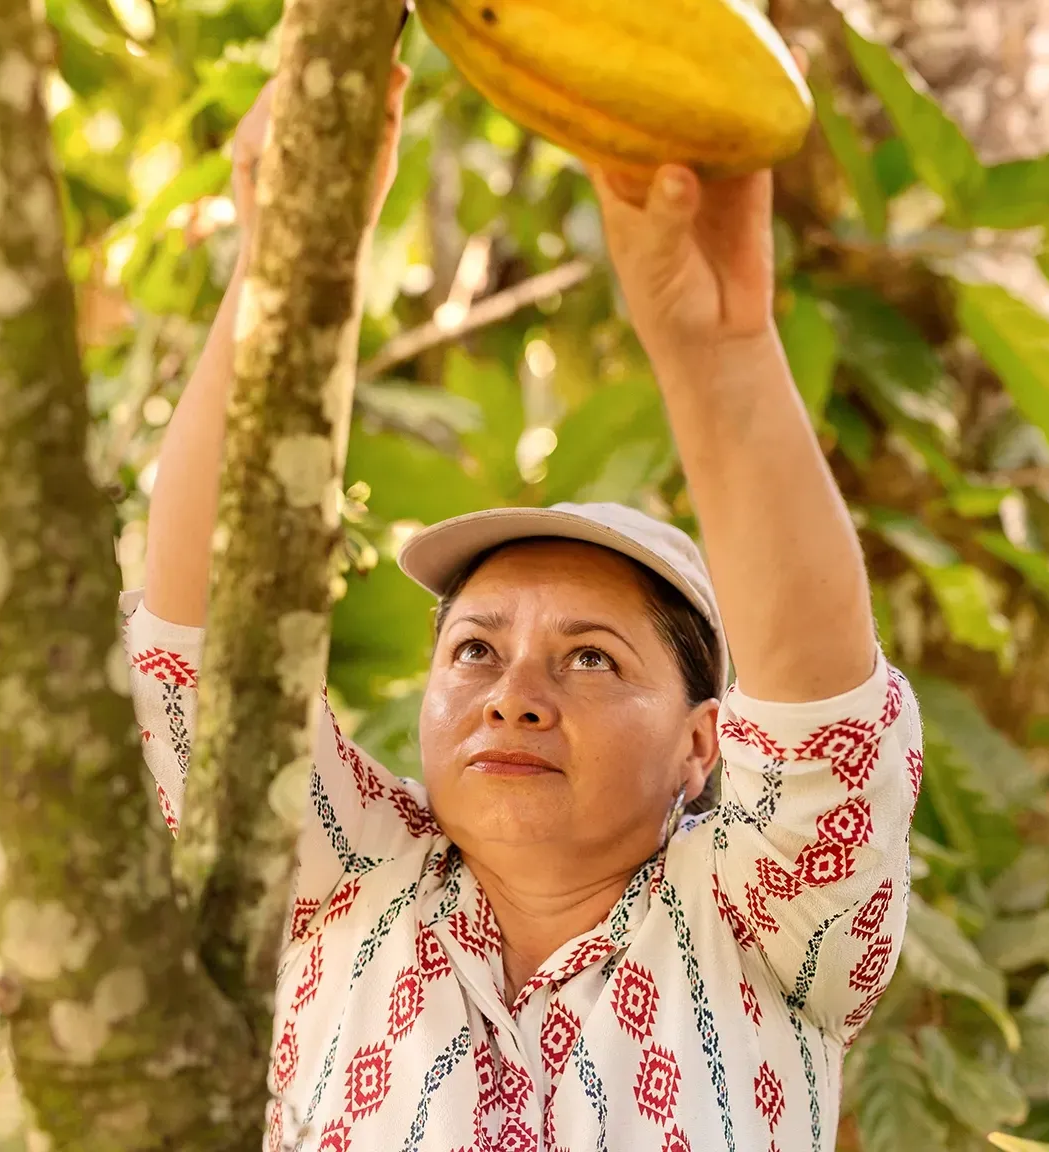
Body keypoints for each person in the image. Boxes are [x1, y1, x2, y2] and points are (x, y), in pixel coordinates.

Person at [121, 43, 922, 1152]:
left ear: (703, 746)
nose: (514, 697)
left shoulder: (763, 923)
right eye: (475, 651)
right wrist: (286, 265)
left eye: (591, 657)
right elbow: (204, 652)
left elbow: (822, 719)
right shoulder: (345, 878)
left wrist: (720, 353)